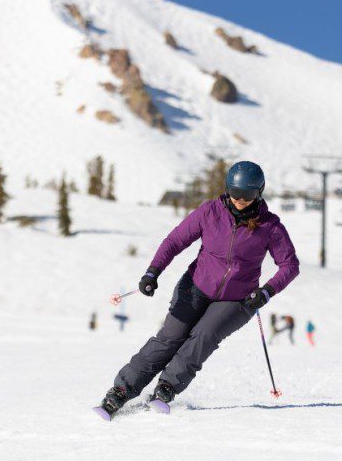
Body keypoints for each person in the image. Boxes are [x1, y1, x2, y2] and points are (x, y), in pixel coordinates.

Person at [97, 161, 300, 418]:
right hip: (196, 286)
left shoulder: (269, 226)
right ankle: (121, 391)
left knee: (204, 336)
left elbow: (290, 266)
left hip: (238, 299)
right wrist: (152, 272)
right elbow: (174, 241)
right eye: (234, 193)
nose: (239, 200)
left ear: (259, 193)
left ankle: (167, 387)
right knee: (171, 337)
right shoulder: (210, 212)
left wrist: (267, 292)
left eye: (247, 195)